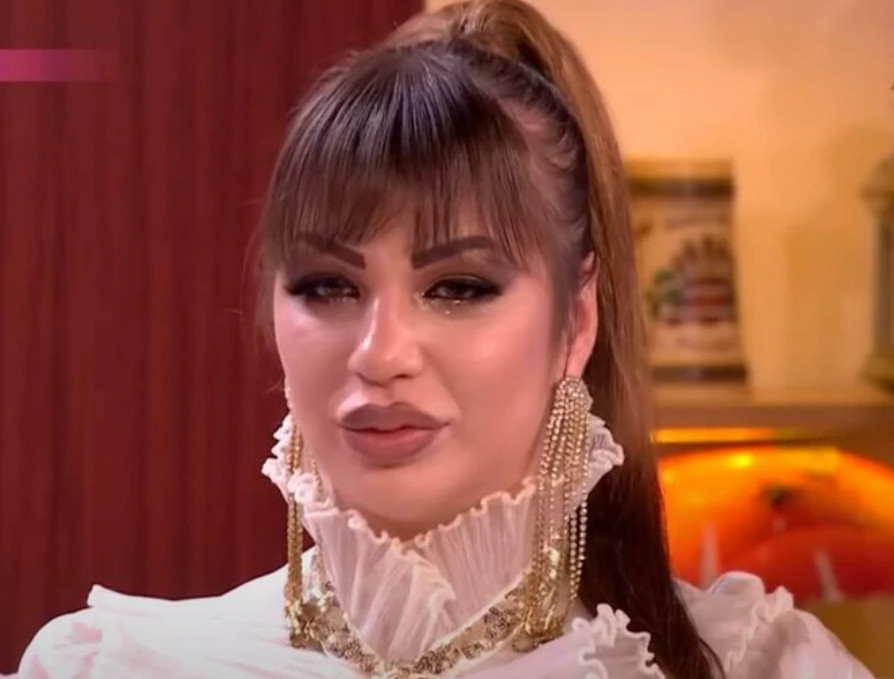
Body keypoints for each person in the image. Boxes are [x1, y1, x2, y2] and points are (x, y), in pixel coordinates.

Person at [12, 1, 875, 677]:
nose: (380, 352)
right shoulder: (116, 665)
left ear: (576, 322)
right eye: (328, 286)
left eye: (458, 288)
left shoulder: (760, 664)